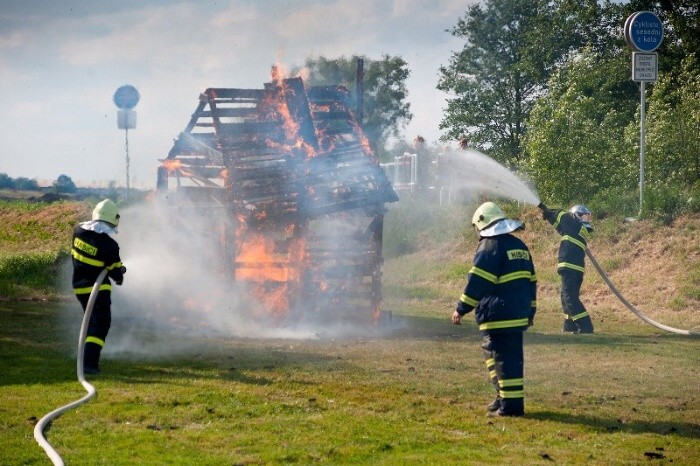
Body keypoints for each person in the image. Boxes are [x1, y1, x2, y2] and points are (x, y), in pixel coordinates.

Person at [452, 202, 537, 417]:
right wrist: (530, 312)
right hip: (517, 313)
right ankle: (502, 398)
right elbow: (532, 282)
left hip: (499, 314)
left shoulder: (490, 246)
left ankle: (511, 408)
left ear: (482, 224)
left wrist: (461, 308)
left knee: (503, 360)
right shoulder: (519, 246)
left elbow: (478, 281)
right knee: (496, 354)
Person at [71, 199, 126, 374]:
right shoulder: (109, 245)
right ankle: (89, 364)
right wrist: (120, 273)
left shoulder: (78, 231)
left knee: (91, 322)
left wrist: (114, 269)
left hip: (79, 286)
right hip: (98, 289)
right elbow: (116, 272)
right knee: (100, 324)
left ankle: (85, 357)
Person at [538, 203, 595, 334]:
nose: (586, 219)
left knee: (569, 297)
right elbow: (559, 226)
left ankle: (585, 326)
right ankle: (570, 325)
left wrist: (545, 208)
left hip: (570, 267)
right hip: (574, 269)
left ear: (574, 216)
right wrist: (548, 215)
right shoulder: (576, 229)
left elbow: (560, 214)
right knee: (566, 297)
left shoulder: (574, 224)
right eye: (585, 216)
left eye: (586, 217)